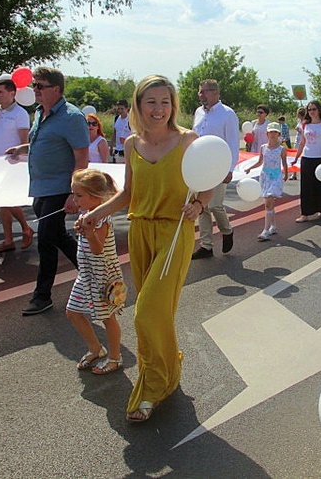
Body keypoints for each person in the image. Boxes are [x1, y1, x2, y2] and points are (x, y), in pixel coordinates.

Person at [80, 75, 213, 423]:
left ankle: (153, 386)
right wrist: (94, 214)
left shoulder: (188, 140)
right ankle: (168, 368)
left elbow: (208, 182)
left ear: (174, 105)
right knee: (159, 314)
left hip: (174, 234)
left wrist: (198, 207)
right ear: (138, 106)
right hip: (141, 232)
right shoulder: (132, 142)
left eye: (165, 101)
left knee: (146, 312)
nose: (159, 109)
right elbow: (127, 195)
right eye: (151, 102)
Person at [5, 67, 89, 315]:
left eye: (40, 86)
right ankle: (96, 275)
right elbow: (44, 141)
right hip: (39, 189)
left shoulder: (72, 117)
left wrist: (75, 193)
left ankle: (42, 296)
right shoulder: (40, 113)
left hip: (59, 189)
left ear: (56, 89)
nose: (35, 91)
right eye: (34, 86)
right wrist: (22, 148)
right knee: (55, 237)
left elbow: (82, 157)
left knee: (46, 239)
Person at [66, 168, 125, 375]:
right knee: (73, 312)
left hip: (102, 276)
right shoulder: (86, 214)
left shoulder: (102, 219)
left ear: (96, 196)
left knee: (108, 318)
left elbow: (98, 249)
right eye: (74, 194)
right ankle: (95, 348)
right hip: (86, 275)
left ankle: (115, 357)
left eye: (79, 195)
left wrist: (89, 233)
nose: (74, 199)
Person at [0, 75, 35, 253]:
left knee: (8, 200)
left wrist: (22, 158)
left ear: (12, 93)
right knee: (0, 201)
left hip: (13, 162)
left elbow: (24, 139)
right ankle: (8, 239)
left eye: (1, 92)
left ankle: (26, 228)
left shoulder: (20, 113)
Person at [191, 79, 240, 260]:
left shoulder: (227, 114)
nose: (200, 95)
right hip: (199, 165)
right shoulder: (198, 113)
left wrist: (230, 168)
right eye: (200, 92)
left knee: (215, 204)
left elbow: (233, 142)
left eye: (204, 92)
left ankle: (226, 230)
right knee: (200, 206)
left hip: (218, 165)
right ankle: (206, 245)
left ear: (215, 93)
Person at [243, 121, 288, 241]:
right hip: (265, 177)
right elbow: (260, 162)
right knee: (269, 202)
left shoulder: (281, 149)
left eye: (275, 132)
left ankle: (265, 230)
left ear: (278, 134)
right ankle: (273, 226)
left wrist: (286, 174)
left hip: (276, 176)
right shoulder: (263, 148)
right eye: (270, 132)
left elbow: (284, 163)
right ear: (267, 134)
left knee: (268, 201)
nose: (272, 134)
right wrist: (249, 168)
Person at [291, 100, 321, 222]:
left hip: (320, 158)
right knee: (306, 186)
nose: (311, 112)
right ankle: (305, 213)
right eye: (309, 109)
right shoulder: (305, 125)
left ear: (319, 110)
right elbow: (302, 142)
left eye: (314, 109)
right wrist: (296, 157)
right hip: (307, 157)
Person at [112, 99, 131, 163]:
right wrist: (112, 146)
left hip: (127, 149)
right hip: (118, 148)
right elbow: (115, 132)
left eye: (122, 109)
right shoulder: (117, 118)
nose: (120, 111)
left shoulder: (130, 119)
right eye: (119, 109)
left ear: (127, 108)